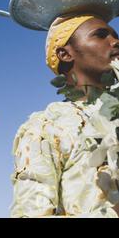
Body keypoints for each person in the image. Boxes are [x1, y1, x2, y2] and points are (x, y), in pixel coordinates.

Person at [11, 14, 119, 217]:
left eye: (115, 34)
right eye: (100, 35)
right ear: (65, 54)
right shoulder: (47, 128)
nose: (114, 41)